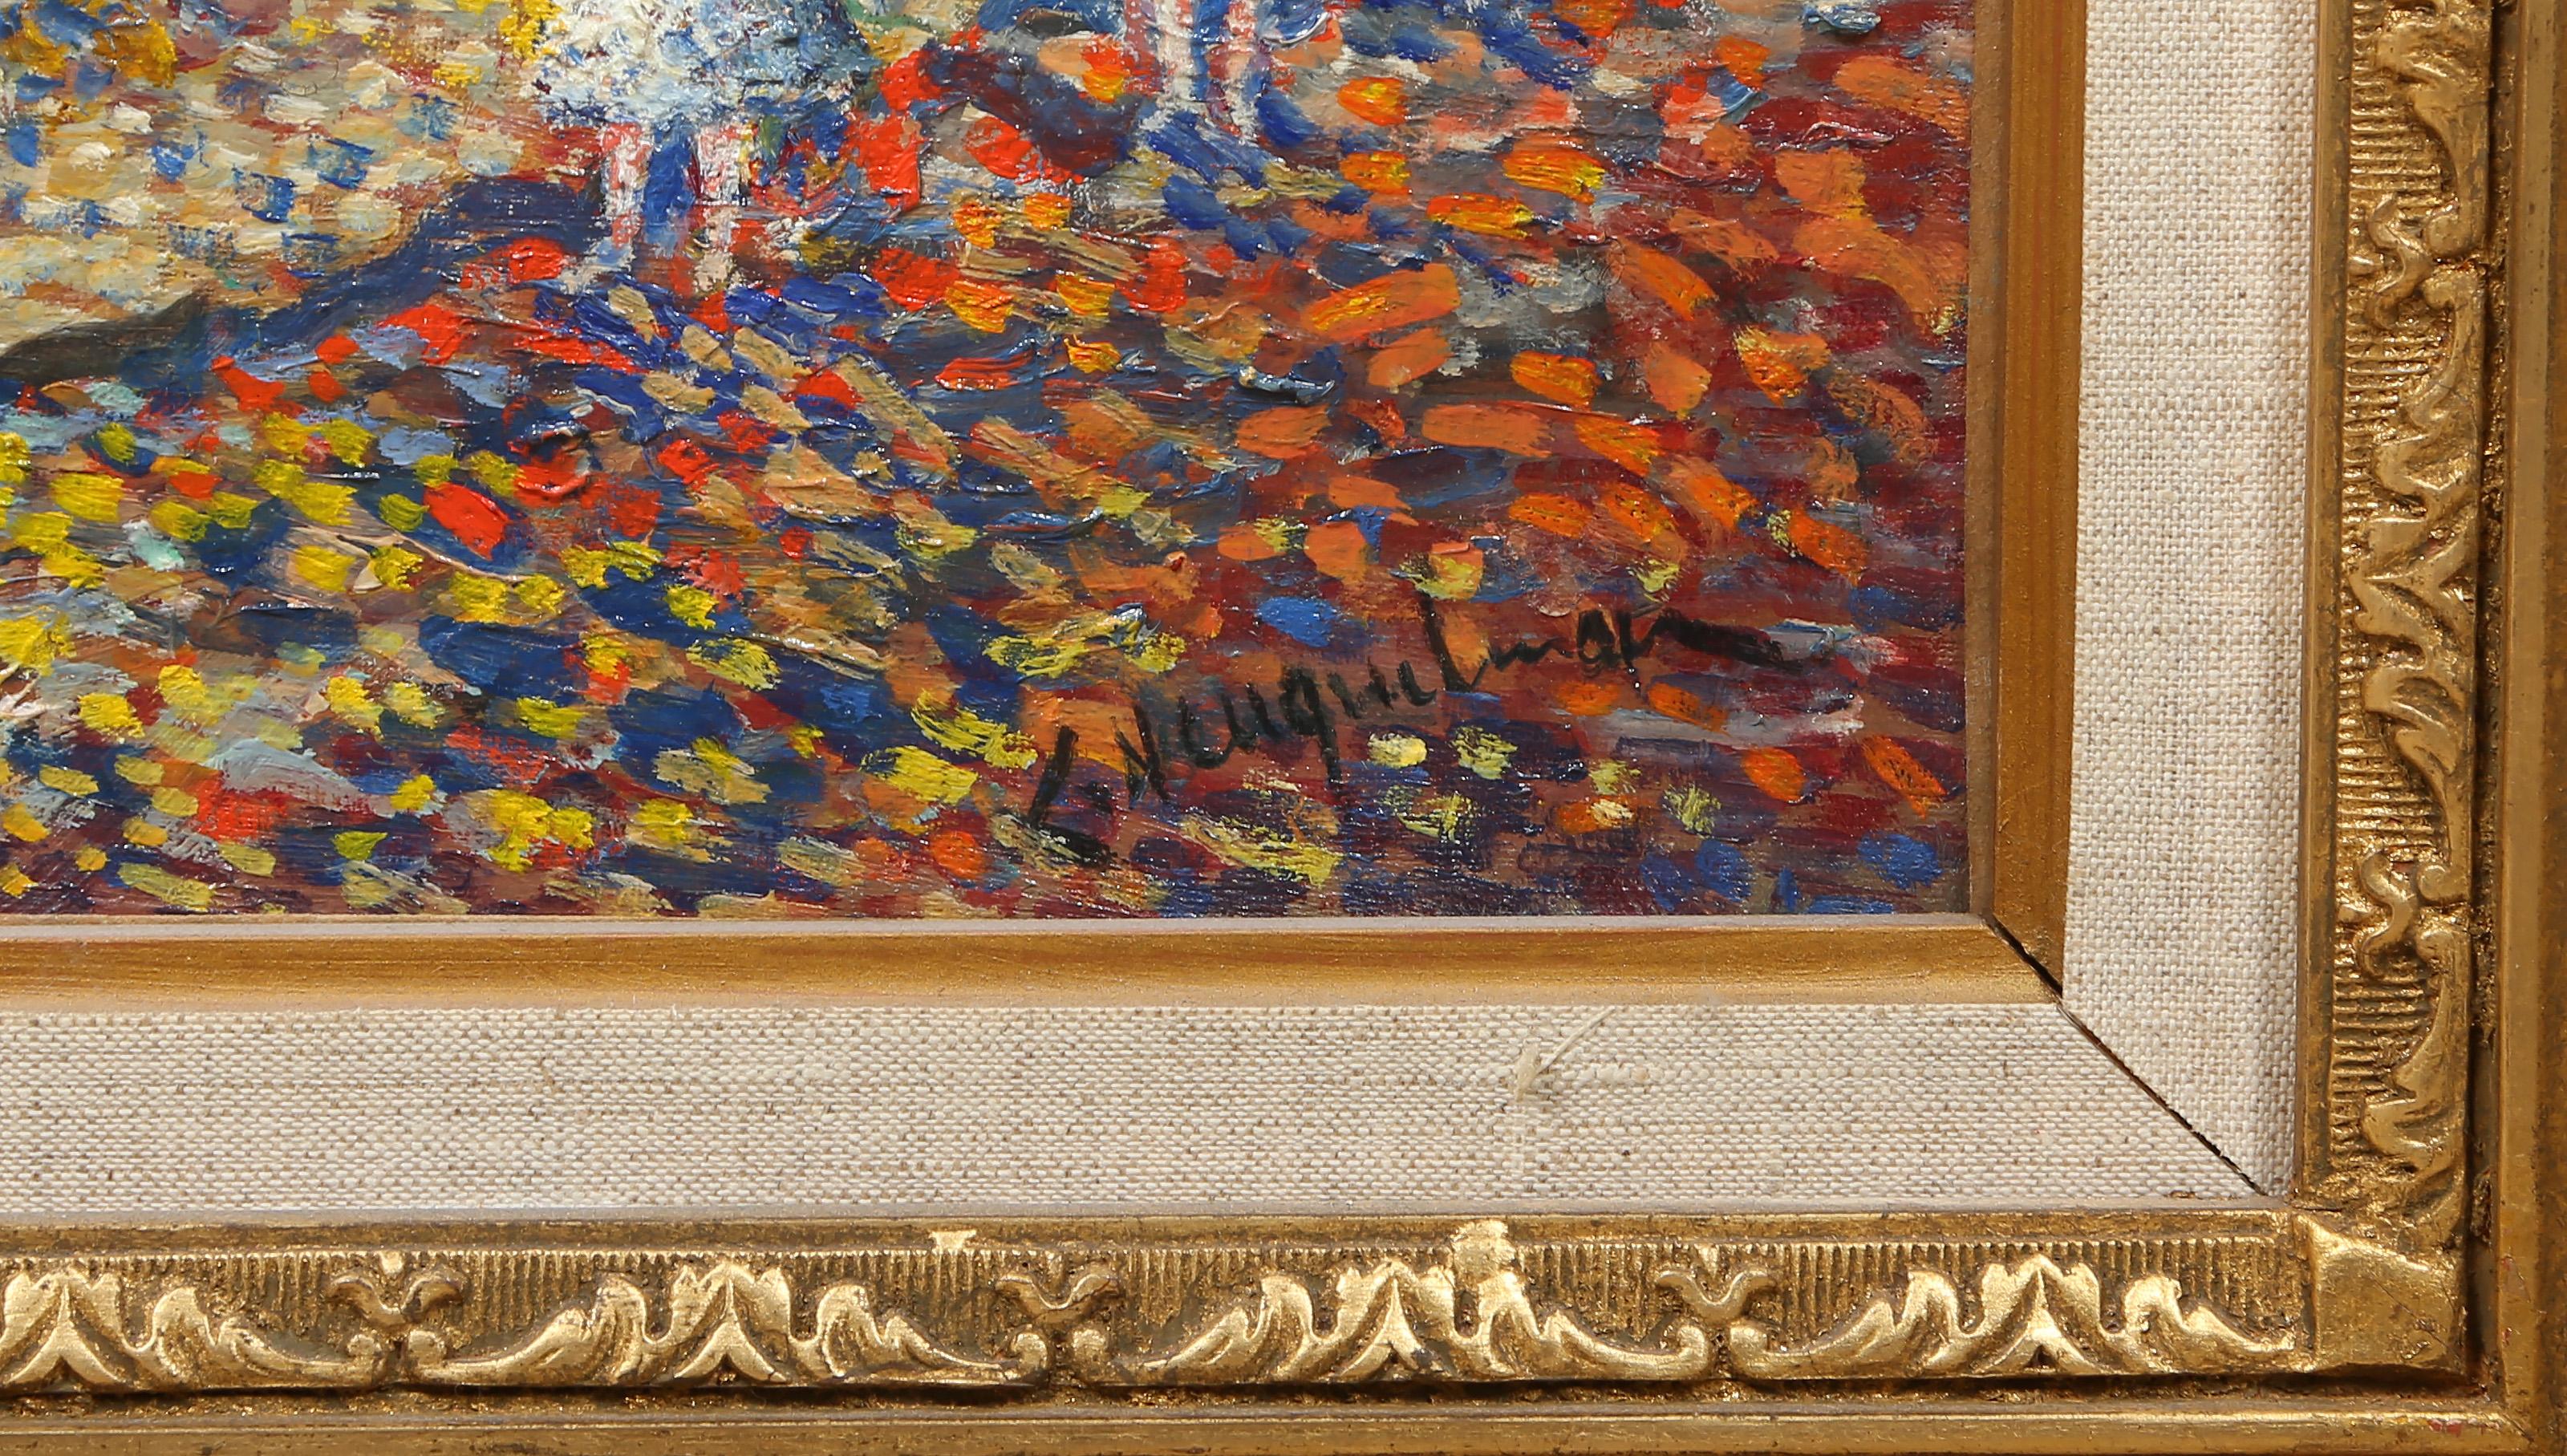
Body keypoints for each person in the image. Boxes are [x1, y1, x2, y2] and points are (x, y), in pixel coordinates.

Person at [525, 0, 853, 290]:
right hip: (641, 24)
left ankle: (718, 246)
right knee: (624, 109)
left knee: (719, 114)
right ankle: (619, 238)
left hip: (710, 28)